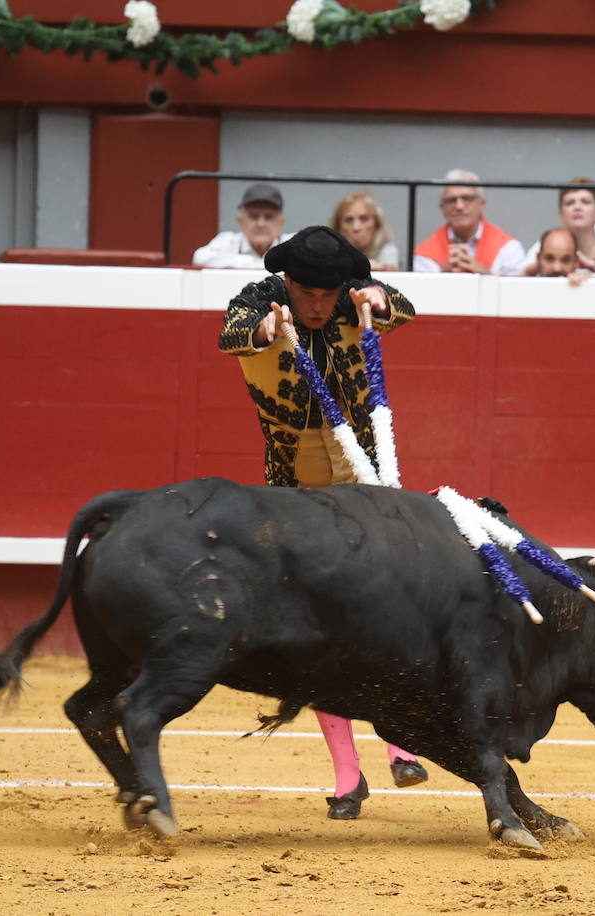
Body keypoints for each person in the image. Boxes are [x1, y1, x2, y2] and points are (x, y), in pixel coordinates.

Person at [217, 225, 427, 820]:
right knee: (317, 629)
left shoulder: (353, 293)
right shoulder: (259, 300)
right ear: (288, 282)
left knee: (387, 613)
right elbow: (230, 336)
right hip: (293, 492)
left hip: (365, 478)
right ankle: (346, 773)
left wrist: (379, 301)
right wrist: (264, 329)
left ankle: (401, 744)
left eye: (327, 295)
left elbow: (402, 310)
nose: (316, 306)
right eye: (307, 293)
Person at [412, 169, 524, 275]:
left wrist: (485, 276)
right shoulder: (425, 252)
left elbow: (514, 293)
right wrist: (444, 275)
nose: (459, 206)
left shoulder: (509, 248)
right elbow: (422, 293)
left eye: (467, 198)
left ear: (482, 204)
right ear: (442, 208)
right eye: (451, 200)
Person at [521, 178, 595, 278]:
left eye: (585, 202)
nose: (577, 207)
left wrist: (592, 265)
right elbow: (518, 275)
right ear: (561, 215)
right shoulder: (543, 246)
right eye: (570, 203)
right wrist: (543, 262)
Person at [192, 183, 293, 269]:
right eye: (253, 216)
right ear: (240, 220)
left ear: (281, 222)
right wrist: (256, 262)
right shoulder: (227, 240)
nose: (261, 224)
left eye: (269, 217)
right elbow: (200, 258)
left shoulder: (290, 242)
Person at [329, 190, 399, 271]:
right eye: (349, 220)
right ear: (338, 227)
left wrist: (384, 268)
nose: (356, 227)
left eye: (364, 219)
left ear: (376, 224)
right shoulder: (329, 252)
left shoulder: (386, 250)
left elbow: (393, 274)